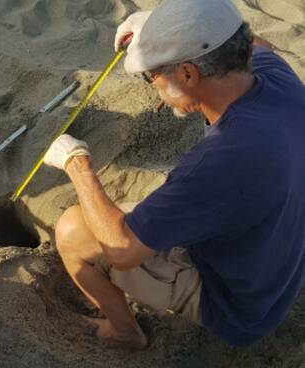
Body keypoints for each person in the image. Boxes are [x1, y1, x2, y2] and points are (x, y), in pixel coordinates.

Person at [43, 0, 305, 349]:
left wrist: (76, 162)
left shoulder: (219, 161)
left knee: (74, 229)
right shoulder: (275, 78)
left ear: (187, 74)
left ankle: (124, 332)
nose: (153, 86)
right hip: (275, 267)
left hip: (235, 306)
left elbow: (123, 251)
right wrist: (162, 27)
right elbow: (255, 44)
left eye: (151, 75)